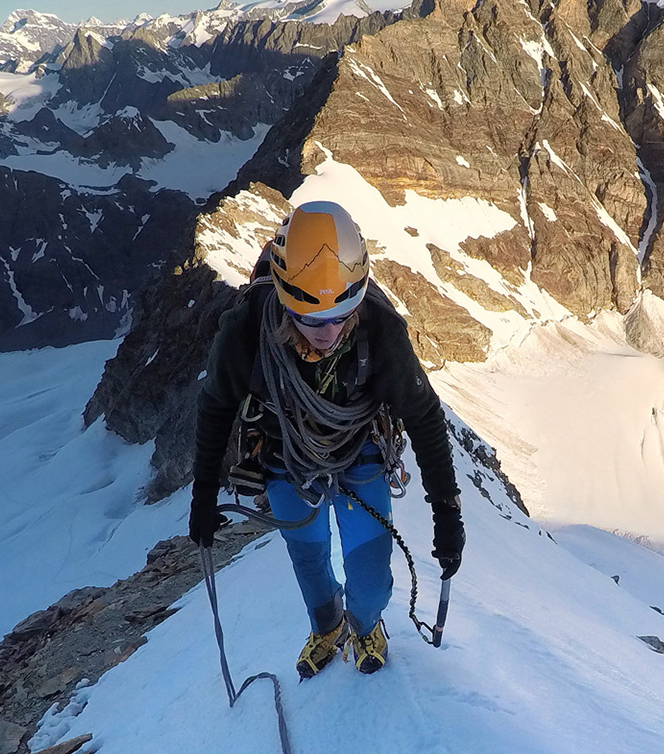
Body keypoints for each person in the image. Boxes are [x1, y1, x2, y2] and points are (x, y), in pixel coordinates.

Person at [188, 200, 464, 676]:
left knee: (372, 579)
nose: (328, 332)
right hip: (284, 458)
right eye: (311, 319)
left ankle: (365, 622)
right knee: (310, 561)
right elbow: (214, 408)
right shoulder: (248, 328)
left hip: (359, 450)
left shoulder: (379, 328)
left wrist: (447, 509)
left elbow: (422, 415)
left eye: (341, 315)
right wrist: (203, 495)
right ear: (282, 294)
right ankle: (328, 625)